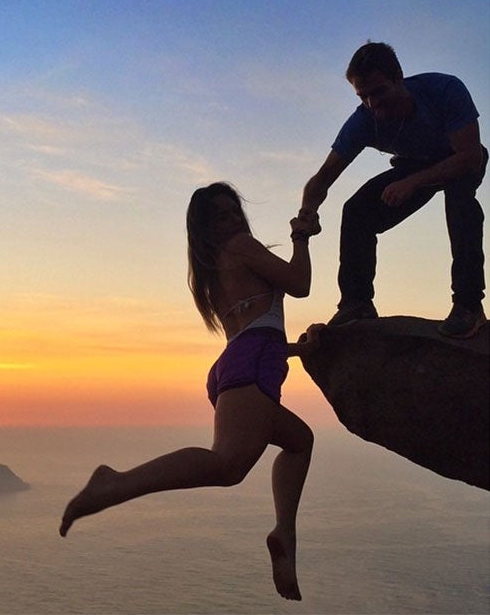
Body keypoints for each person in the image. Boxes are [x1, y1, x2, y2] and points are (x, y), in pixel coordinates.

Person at [59, 182, 321, 601]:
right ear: (206, 227)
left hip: (241, 366)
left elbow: (253, 329)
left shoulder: (212, 269)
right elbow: (299, 282)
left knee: (299, 441)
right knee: (227, 465)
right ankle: (115, 484)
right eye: (222, 215)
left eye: (234, 211)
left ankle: (284, 535)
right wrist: (302, 236)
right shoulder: (241, 246)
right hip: (250, 366)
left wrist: (292, 349)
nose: (234, 220)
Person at [299, 41, 487, 338]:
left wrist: (412, 183)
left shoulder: (445, 90)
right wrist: (307, 212)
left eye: (378, 91)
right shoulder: (362, 122)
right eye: (363, 97)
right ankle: (357, 302)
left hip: (459, 159)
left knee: (460, 199)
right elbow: (322, 178)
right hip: (412, 165)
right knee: (357, 211)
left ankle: (468, 305)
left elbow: (471, 157)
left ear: (399, 78)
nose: (373, 104)